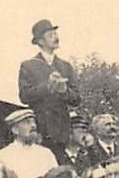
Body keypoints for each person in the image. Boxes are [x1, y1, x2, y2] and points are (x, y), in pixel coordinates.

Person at [16, 20, 80, 157]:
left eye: (56, 34)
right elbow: (24, 96)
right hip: (40, 126)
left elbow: (77, 99)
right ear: (40, 41)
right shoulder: (29, 66)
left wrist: (64, 91)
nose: (56, 38)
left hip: (63, 127)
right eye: (51, 35)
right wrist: (47, 86)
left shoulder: (65, 66)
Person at [0, 108, 58, 178]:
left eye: (34, 122)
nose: (33, 126)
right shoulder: (2, 155)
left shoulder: (46, 154)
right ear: (15, 130)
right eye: (27, 122)